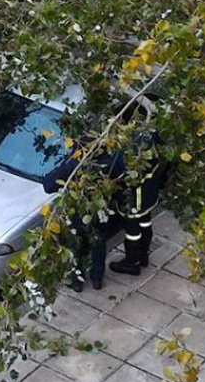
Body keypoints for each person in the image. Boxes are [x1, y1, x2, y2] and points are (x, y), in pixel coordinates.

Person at [43, 144, 125, 292]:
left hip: (76, 214)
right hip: (99, 214)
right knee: (98, 244)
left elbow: (48, 185)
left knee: (75, 247)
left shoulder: (72, 166)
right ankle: (97, 278)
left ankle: (76, 281)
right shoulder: (109, 163)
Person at [108, 105, 163, 276]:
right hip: (149, 192)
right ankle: (143, 255)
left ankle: (132, 262)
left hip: (133, 198)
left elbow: (117, 170)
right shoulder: (150, 137)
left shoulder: (129, 150)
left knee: (133, 232)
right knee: (146, 223)